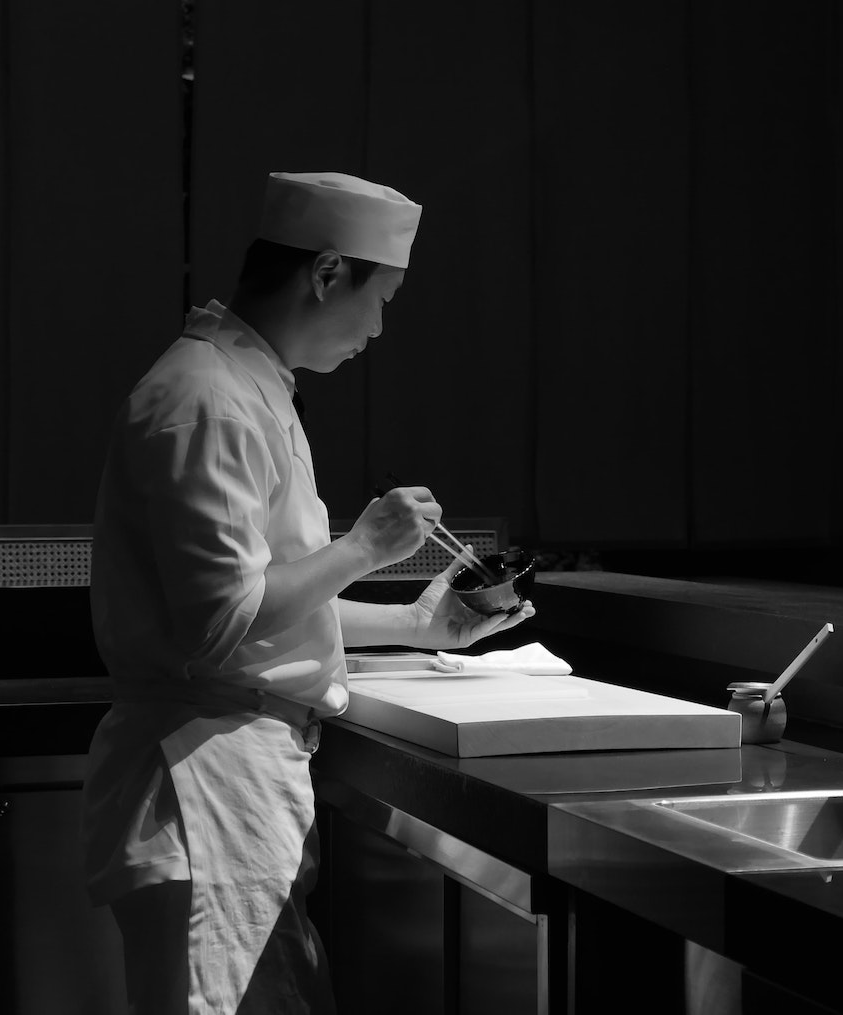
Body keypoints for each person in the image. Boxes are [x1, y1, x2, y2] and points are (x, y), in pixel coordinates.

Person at [82, 171, 533, 1013]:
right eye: (383, 296)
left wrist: (415, 623)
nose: (381, 326)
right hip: (203, 783)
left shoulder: (250, 387)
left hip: (237, 779)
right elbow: (218, 622)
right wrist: (363, 545)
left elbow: (264, 595)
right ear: (327, 274)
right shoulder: (205, 398)